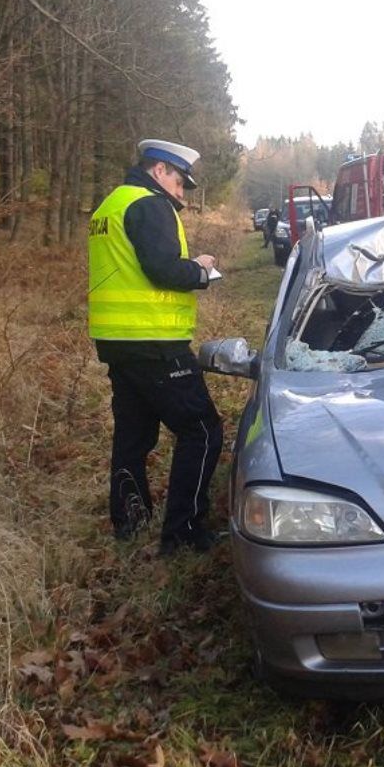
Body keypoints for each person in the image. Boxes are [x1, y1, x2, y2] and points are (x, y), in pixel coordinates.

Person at [87, 139, 224, 554]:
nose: (181, 194)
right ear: (160, 170)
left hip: (119, 343)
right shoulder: (149, 204)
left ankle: (130, 521)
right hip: (155, 342)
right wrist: (200, 269)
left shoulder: (111, 205)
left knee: (133, 436)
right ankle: (182, 534)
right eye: (180, 183)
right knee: (203, 431)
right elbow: (164, 269)